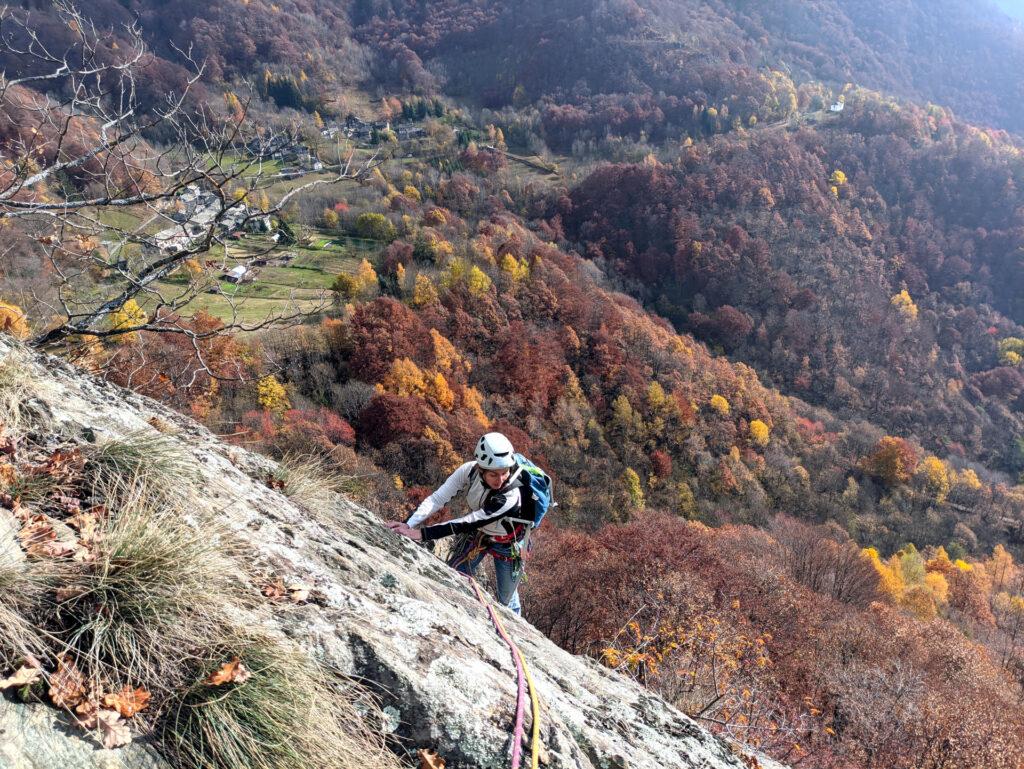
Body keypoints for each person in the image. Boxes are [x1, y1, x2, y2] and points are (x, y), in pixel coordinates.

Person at [387, 432, 530, 614]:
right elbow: (438, 498)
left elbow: (468, 522)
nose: (500, 480)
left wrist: (422, 534)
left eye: (504, 473)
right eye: (493, 474)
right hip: (478, 535)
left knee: (506, 600)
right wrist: (409, 524)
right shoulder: (469, 471)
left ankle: (513, 630)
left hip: (508, 543)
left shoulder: (511, 495)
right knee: (455, 576)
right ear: (481, 468)